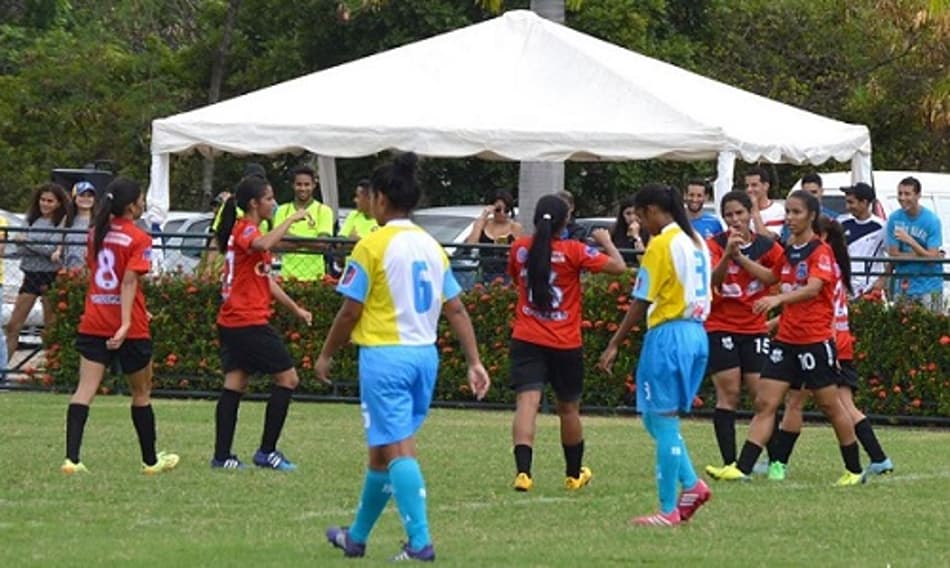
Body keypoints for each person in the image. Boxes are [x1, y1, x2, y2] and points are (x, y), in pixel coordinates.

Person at [317, 152, 490, 562]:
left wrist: (325, 354)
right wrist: (474, 361)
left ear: (380, 199)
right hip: (423, 358)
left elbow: (349, 311)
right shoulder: (431, 246)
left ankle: (420, 543)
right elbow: (457, 309)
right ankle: (355, 538)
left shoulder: (371, 245)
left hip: (385, 358)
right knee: (382, 450)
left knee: (398, 450)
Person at [706, 191, 866, 486]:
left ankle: (854, 469)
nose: (789, 218)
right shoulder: (790, 247)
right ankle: (742, 467)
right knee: (765, 403)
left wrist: (777, 301)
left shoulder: (820, 251)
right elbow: (770, 277)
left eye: (796, 212)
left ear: (811, 216)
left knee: (831, 407)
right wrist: (739, 258)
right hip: (786, 341)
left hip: (814, 341)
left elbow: (813, 289)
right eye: (788, 212)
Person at [597, 183, 713, 527]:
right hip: (696, 334)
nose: (639, 224)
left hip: (669, 334)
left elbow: (642, 298)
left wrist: (615, 342)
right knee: (655, 417)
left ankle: (667, 510)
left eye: (639, 216)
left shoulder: (661, 243)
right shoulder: (697, 241)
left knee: (662, 421)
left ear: (650, 211)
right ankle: (692, 486)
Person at [507, 194, 627, 492]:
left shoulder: (521, 247)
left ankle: (524, 473)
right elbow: (619, 267)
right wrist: (607, 241)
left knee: (527, 402)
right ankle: (573, 475)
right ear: (566, 221)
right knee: (569, 409)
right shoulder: (574, 250)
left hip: (527, 335)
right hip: (564, 340)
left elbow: (515, 279)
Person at [62, 178, 179, 475]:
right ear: (131, 206)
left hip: (94, 319)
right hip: (129, 327)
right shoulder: (138, 237)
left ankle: (72, 460)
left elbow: (103, 275)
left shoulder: (95, 234)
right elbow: (127, 280)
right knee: (141, 393)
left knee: (84, 389)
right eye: (141, 199)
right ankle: (151, 462)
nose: (143, 204)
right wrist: (127, 322)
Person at [764, 216, 894, 481]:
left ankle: (779, 462)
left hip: (823, 340)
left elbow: (810, 307)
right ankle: (877, 458)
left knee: (820, 404)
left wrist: (774, 318)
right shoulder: (830, 262)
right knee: (821, 403)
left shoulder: (820, 262)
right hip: (833, 339)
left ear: (819, 235)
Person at [210, 175, 316, 471]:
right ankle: (266, 452)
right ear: (254, 203)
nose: (274, 203)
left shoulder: (248, 230)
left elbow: (264, 279)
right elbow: (262, 243)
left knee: (236, 382)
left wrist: (296, 308)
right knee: (288, 379)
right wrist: (292, 218)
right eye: (269, 199)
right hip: (246, 321)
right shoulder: (245, 229)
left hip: (235, 319)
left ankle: (222, 456)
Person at [701, 191, 784, 473]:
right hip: (720, 325)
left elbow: (774, 277)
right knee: (729, 393)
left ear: (750, 213)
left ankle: (775, 462)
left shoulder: (767, 246)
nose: (734, 220)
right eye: (729, 215)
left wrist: (743, 259)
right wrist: (727, 255)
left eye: (739, 213)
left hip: (754, 327)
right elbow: (714, 281)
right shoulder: (714, 244)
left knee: (762, 396)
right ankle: (729, 462)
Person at [6, 183, 70, 358]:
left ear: (58, 203)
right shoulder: (31, 218)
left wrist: (27, 241)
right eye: (43, 199)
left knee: (50, 327)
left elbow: (51, 249)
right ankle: (3, 370)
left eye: (50, 201)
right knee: (13, 325)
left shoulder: (61, 221)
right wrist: (33, 245)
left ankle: (51, 367)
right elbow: (20, 246)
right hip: (30, 274)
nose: (45, 204)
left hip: (51, 276)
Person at [884, 176, 943, 310]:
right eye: (900, 193)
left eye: (907, 194)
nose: (902, 198)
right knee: (902, 327)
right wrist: (921, 255)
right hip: (904, 284)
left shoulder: (932, 220)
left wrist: (910, 241)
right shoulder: (894, 219)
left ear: (918, 195)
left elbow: (932, 259)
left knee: (930, 327)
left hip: (929, 285)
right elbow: (893, 254)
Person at [272, 165, 335, 281]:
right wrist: (311, 241)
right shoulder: (282, 210)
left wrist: (290, 238)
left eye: (307, 185)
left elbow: (323, 245)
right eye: (299, 184)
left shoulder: (324, 210)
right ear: (293, 185)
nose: (303, 188)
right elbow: (276, 244)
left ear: (314, 185)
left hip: (315, 278)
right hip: (287, 277)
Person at [465, 188, 523, 284]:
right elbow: (470, 245)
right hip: (484, 272)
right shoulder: (483, 223)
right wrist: (483, 216)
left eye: (507, 210)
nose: (503, 213)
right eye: (499, 209)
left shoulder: (514, 226)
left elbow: (519, 252)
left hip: (506, 274)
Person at [839, 183, 887, 296]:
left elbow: (893, 257)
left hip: (870, 290)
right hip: (845, 288)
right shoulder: (841, 222)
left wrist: (881, 281)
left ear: (864, 203)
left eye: (851, 202)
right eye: (847, 202)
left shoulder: (881, 226)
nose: (847, 207)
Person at [64, 181, 98, 271]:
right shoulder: (67, 219)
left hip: (91, 269)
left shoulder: (99, 220)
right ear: (75, 198)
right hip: (69, 269)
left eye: (89, 196)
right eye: (82, 195)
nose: (86, 199)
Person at [745, 166, 785, 240]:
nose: (749, 189)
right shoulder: (742, 211)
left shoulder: (778, 210)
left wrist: (755, 211)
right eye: (747, 186)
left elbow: (767, 239)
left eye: (754, 185)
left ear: (766, 186)